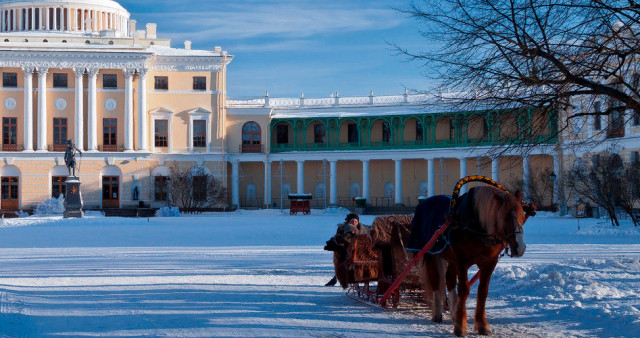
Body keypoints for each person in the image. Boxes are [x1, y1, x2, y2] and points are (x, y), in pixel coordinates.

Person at [324, 213, 368, 286]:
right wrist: (348, 234)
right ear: (348, 222)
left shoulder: (362, 229)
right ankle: (337, 277)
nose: (354, 223)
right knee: (345, 257)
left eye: (356, 221)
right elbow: (339, 239)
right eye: (352, 221)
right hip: (347, 250)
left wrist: (356, 234)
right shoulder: (342, 228)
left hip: (360, 250)